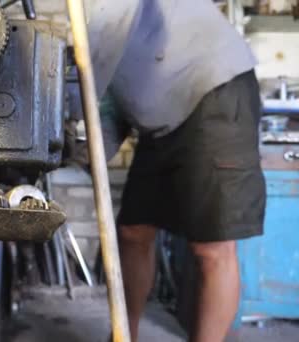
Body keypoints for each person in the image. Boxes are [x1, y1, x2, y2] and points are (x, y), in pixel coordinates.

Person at [86, 1, 266, 341]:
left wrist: (77, 85)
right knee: (133, 231)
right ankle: (124, 335)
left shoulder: (103, 22)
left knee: (211, 247)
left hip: (213, 91)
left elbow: (97, 60)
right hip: (158, 120)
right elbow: (109, 110)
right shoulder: (94, 24)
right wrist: (73, 152)